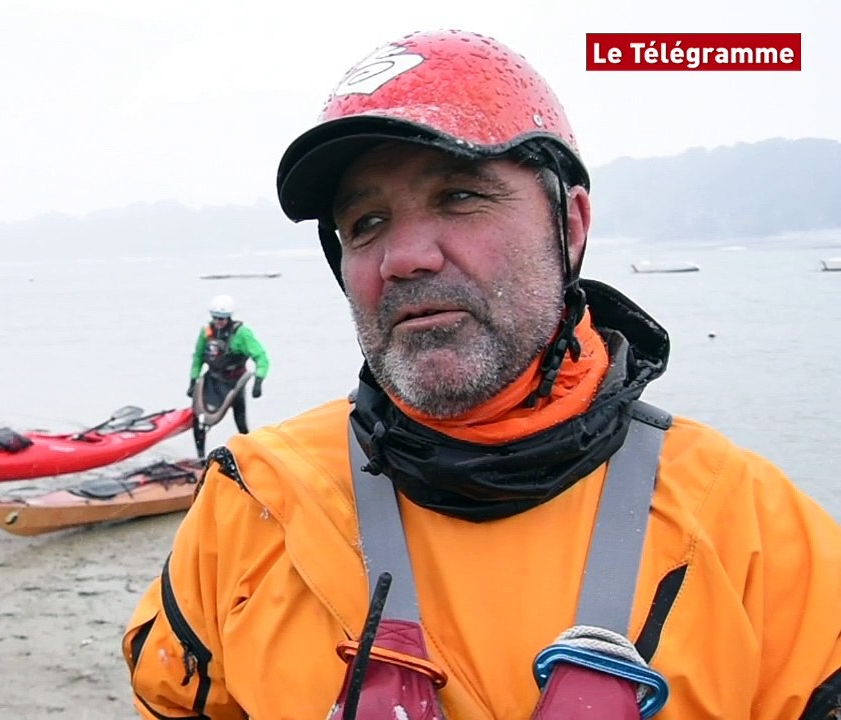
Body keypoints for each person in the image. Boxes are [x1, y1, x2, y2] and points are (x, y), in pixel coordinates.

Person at [124, 30, 841, 719]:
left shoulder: (758, 540)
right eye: (366, 221)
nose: (403, 257)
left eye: (459, 196)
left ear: (571, 225)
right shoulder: (249, 507)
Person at [186, 294, 270, 459]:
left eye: (222, 319)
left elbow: (261, 357)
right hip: (211, 380)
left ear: (229, 317)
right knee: (198, 419)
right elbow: (198, 357)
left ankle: (251, 455)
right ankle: (201, 458)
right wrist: (192, 380)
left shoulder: (242, 334)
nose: (218, 321)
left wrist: (258, 380)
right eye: (216, 318)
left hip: (234, 382)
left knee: (240, 421)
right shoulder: (206, 332)